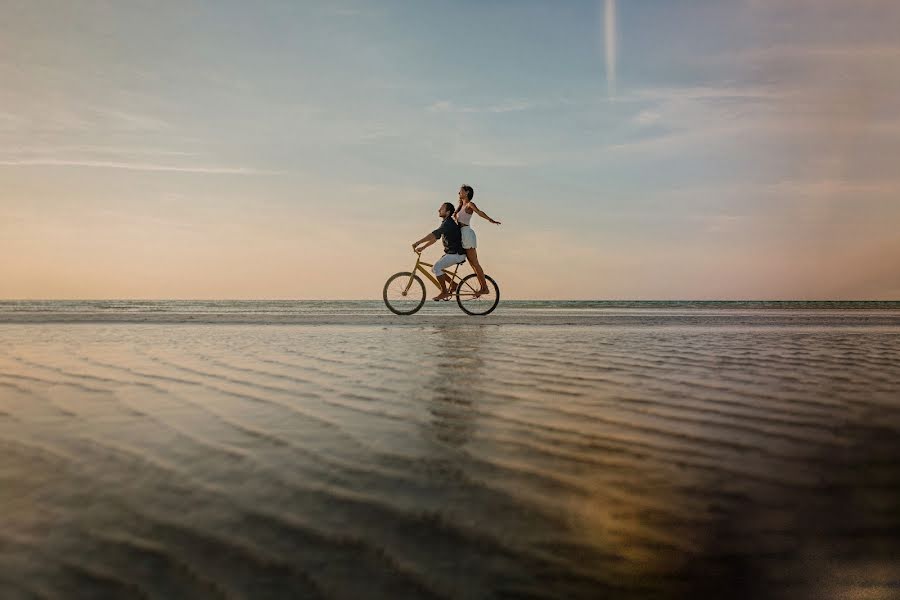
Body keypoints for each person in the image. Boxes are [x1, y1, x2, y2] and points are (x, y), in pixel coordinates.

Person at [412, 202, 467, 301]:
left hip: (456, 254)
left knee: (437, 267)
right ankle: (454, 285)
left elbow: (434, 234)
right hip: (453, 253)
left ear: (447, 212)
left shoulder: (448, 223)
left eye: (441, 209)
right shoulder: (446, 222)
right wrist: (423, 247)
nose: (439, 210)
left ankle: (444, 292)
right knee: (434, 269)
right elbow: (436, 237)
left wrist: (418, 242)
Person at [455, 184, 501, 296]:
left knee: (475, 263)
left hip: (467, 234)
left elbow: (479, 212)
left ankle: (485, 288)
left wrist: (491, 220)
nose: (459, 193)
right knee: (472, 264)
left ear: (467, 192)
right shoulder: (460, 206)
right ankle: (482, 287)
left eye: (461, 191)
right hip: (462, 235)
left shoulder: (470, 204)